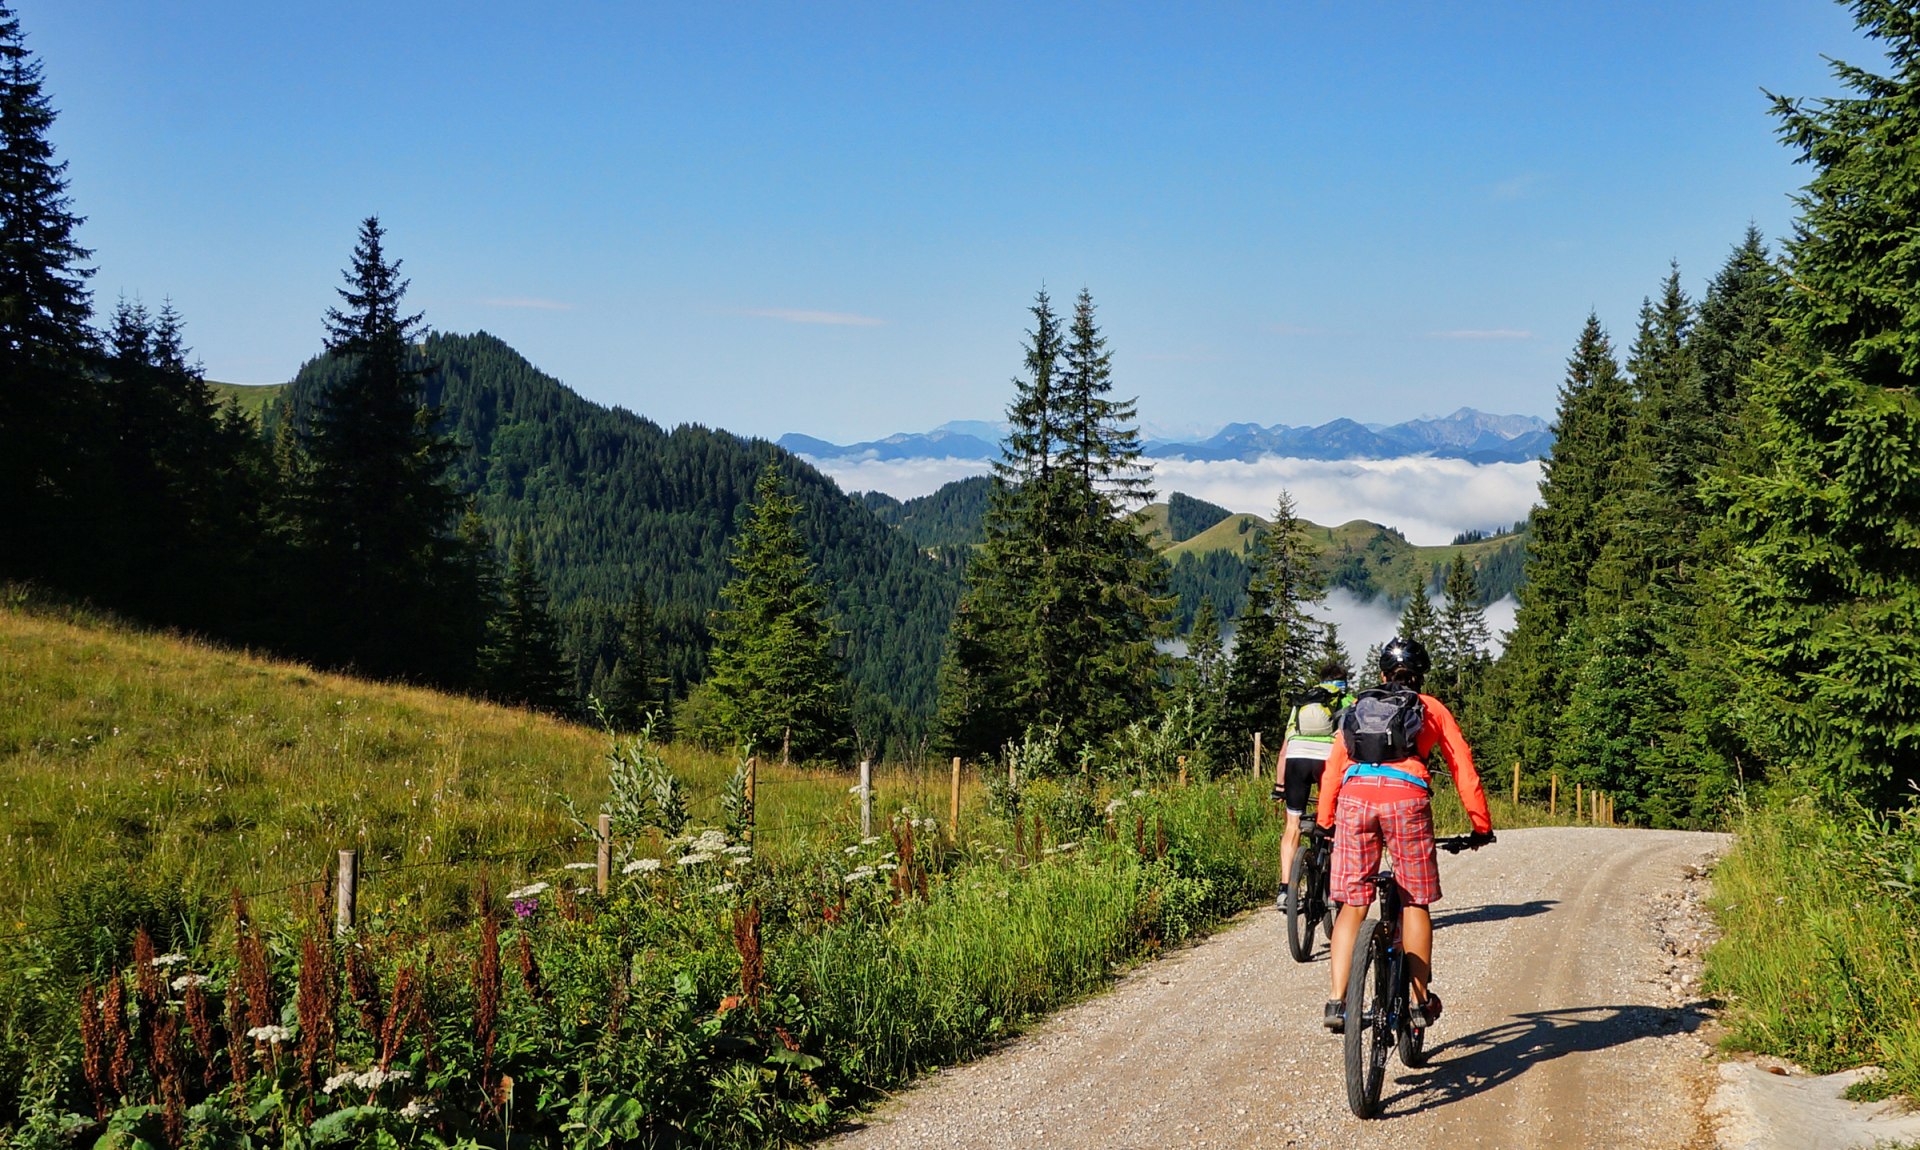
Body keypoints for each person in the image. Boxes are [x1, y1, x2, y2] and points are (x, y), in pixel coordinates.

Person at [1315, 635, 1493, 1034]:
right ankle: (1418, 1003)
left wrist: (1327, 820)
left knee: (1351, 904)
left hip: (1355, 800)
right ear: (1420, 677)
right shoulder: (1431, 709)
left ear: (1381, 674)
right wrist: (1480, 825)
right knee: (1414, 900)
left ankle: (1337, 1001)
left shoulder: (1359, 707)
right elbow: (1464, 769)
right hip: (1406, 801)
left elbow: (1333, 770)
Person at [1272, 661, 1354, 900]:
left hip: (1297, 759)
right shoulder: (1346, 700)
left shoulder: (1303, 703)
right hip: (1328, 761)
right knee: (1332, 821)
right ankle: (1335, 885)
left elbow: (1284, 748)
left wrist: (1279, 787)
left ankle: (1285, 889)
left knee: (1292, 826)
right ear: (1343, 682)